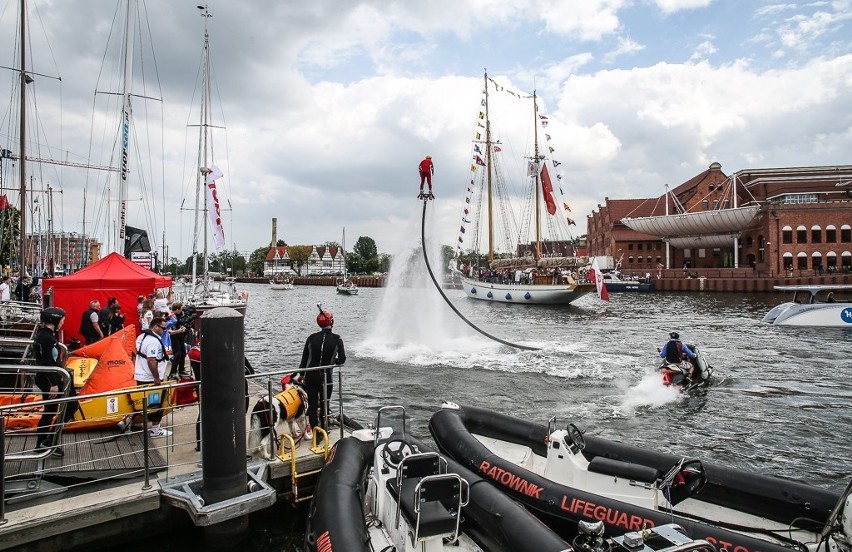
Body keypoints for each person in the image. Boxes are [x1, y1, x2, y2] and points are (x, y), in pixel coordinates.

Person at [33, 307, 78, 457]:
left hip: (50, 377)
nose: (63, 323)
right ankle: (46, 442)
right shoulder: (47, 338)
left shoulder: (46, 334)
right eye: (62, 320)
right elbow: (46, 361)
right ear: (54, 320)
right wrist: (53, 383)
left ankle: (46, 442)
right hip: (50, 380)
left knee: (54, 410)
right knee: (61, 408)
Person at [296, 308, 346, 440]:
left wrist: (301, 374)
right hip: (326, 377)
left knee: (312, 406)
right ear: (331, 322)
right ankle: (324, 431)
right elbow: (342, 359)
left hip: (310, 376)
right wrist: (333, 361)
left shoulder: (311, 338)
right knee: (324, 404)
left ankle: (315, 433)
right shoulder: (337, 339)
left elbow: (305, 359)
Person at [134, 315, 171, 438]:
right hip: (150, 377)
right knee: (157, 404)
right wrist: (156, 378)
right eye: (163, 328)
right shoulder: (153, 341)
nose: (164, 331)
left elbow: (136, 354)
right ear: (155, 327)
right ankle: (155, 430)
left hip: (140, 375)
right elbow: (151, 360)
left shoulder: (141, 337)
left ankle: (127, 421)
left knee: (141, 402)